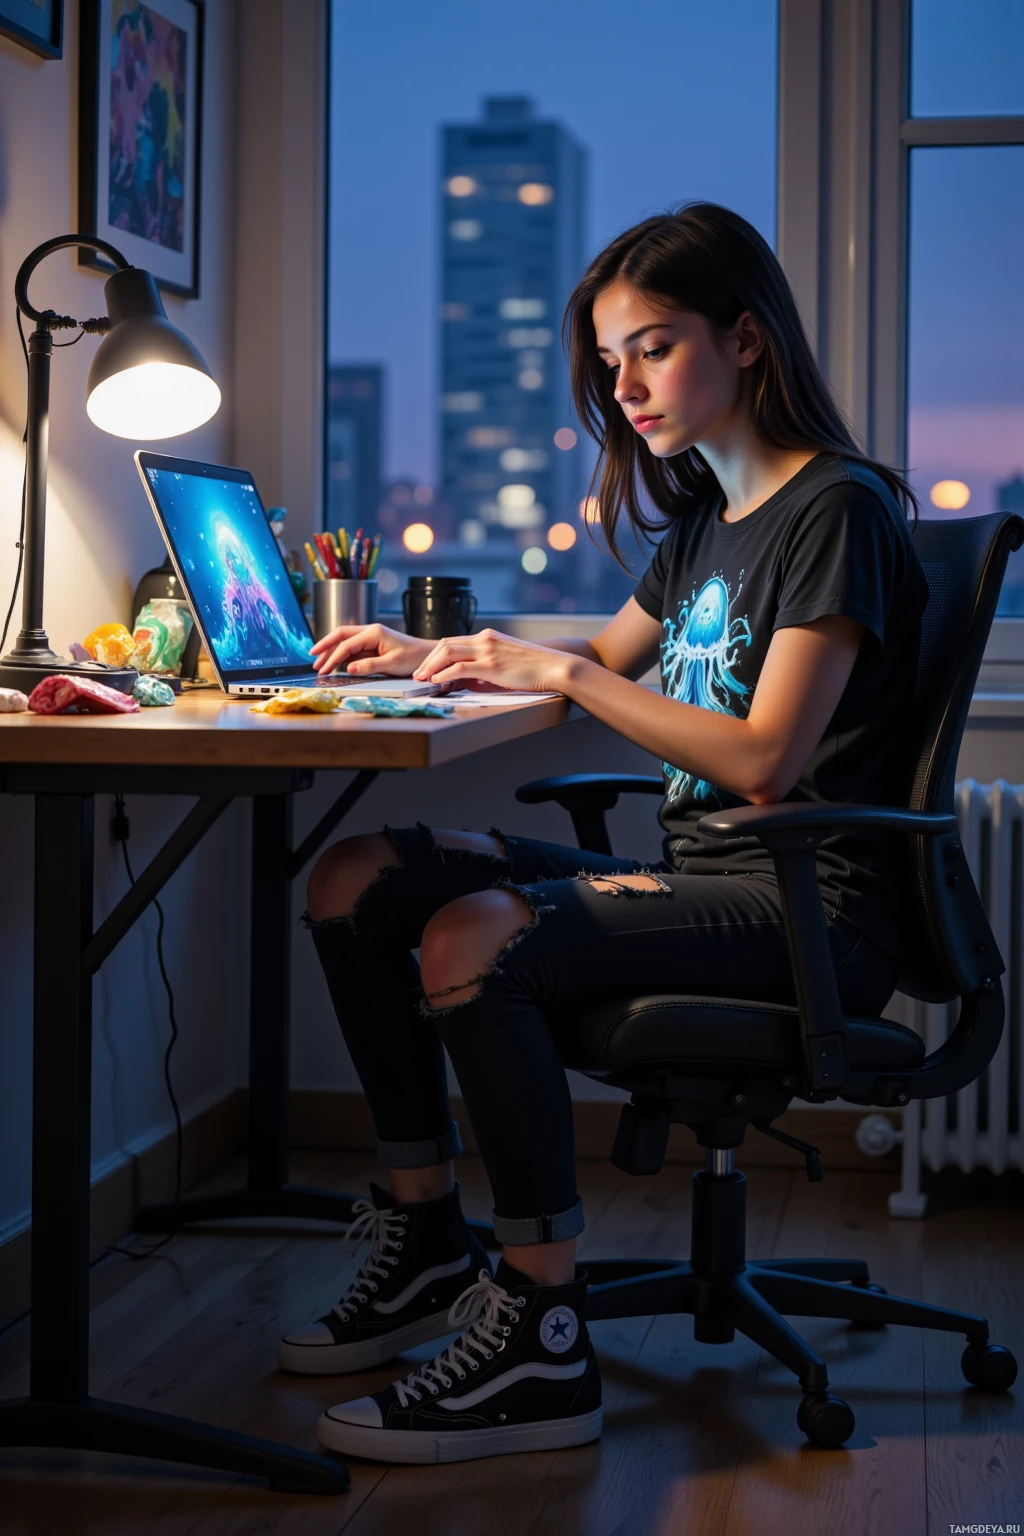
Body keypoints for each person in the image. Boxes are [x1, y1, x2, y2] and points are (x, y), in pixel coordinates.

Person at [281, 203, 928, 1466]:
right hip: (710, 883)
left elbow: (762, 758)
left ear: (746, 340)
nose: (623, 385)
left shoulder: (835, 511)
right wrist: (445, 654)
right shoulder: (706, 519)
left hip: (812, 912)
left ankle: (539, 1334)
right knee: (359, 876)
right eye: (610, 358)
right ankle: (423, 1240)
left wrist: (565, 680)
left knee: (472, 937)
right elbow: (603, 654)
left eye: (653, 347)